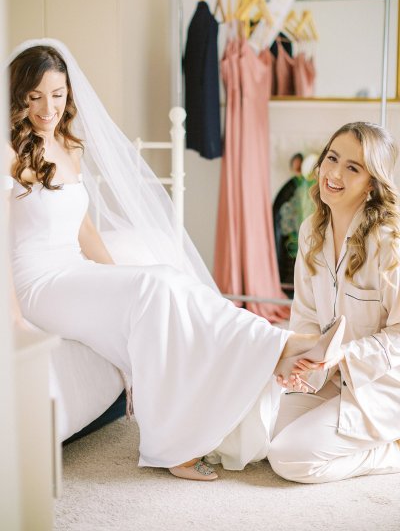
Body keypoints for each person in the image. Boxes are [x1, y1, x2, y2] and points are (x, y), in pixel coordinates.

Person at [5, 39, 343, 482]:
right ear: (18, 98)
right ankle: (174, 443)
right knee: (154, 287)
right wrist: (15, 323)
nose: (48, 108)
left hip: (74, 271)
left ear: (69, 94)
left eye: (58, 95)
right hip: (37, 285)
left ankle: (275, 345)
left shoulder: (70, 147)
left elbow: (83, 228)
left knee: (162, 279)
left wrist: (118, 276)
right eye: (35, 98)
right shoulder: (9, 155)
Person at [270, 121, 400, 483]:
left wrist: (347, 355)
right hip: (331, 375)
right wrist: (302, 361)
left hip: (384, 384)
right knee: (267, 432)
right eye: (332, 158)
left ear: (372, 183)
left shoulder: (390, 241)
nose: (334, 173)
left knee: (288, 458)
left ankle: (392, 449)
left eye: (352, 167)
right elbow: (307, 315)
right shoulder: (312, 230)